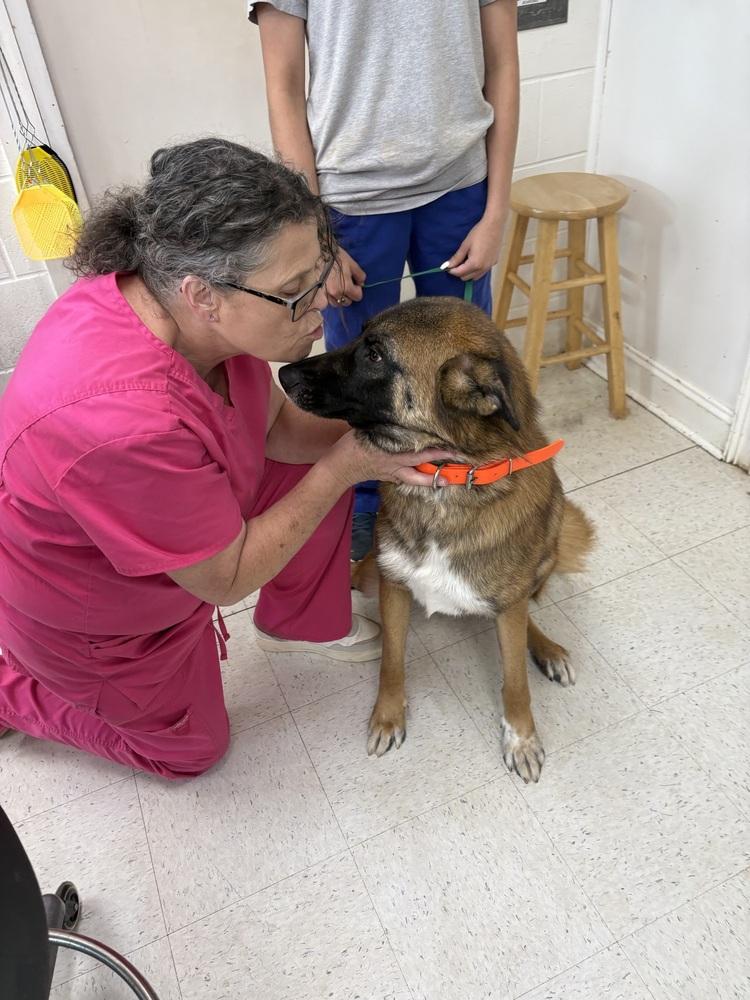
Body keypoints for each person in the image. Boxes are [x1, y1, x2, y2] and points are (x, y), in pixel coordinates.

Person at [0, 138, 448, 778]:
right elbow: (226, 578)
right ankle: (13, 692)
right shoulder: (118, 423)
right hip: (98, 618)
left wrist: (404, 435)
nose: (322, 301)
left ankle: (295, 621)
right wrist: (350, 462)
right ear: (202, 296)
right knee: (191, 752)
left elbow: (278, 432)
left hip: (173, 536)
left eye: (318, 271)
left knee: (317, 467)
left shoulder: (184, 310)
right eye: (297, 290)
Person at [251, 0, 519, 558]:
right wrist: (317, 231)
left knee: (466, 368)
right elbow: (282, 86)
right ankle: (369, 501)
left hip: (461, 190)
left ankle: (469, 490)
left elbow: (503, 64)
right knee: (356, 374)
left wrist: (496, 211)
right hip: (350, 201)